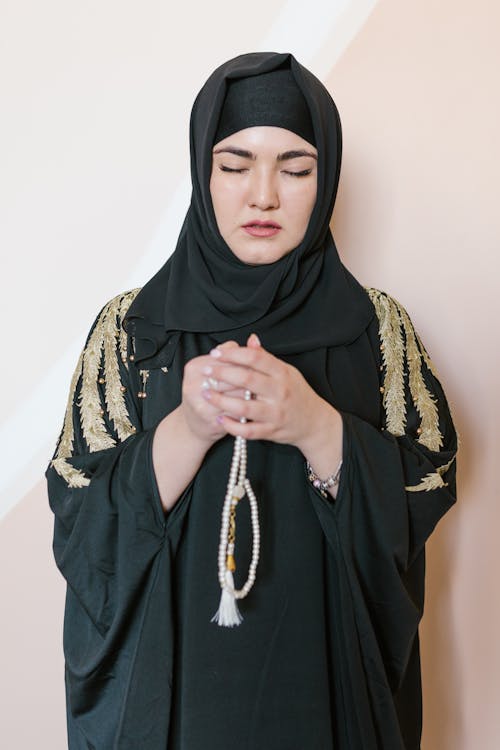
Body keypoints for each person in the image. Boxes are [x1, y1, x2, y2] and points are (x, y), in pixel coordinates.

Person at [46, 51, 458, 750]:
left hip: (322, 697)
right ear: (202, 175)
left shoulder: (375, 328)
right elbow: (80, 512)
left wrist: (317, 427)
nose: (263, 195)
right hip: (174, 708)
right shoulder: (133, 329)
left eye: (296, 168)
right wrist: (191, 426)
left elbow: (428, 481)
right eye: (234, 166)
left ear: (325, 180)